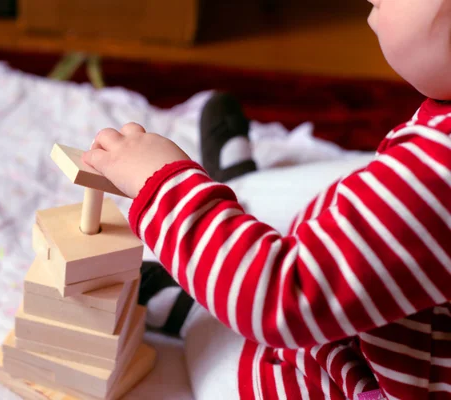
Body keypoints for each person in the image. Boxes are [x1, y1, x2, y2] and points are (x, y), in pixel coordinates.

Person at [83, 0, 451, 398]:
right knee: (339, 188)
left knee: (237, 368)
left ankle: (194, 306)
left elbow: (283, 302)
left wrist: (162, 186)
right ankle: (241, 192)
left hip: (389, 370)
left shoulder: (439, 172)